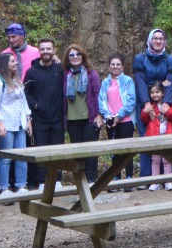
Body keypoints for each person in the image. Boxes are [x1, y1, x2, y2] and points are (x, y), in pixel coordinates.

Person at [131, 29, 172, 179]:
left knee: (166, 134)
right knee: (145, 136)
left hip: (163, 101)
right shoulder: (140, 58)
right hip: (145, 102)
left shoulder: (169, 60)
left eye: (161, 39)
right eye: (155, 38)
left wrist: (167, 103)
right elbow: (140, 81)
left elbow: (170, 81)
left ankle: (168, 177)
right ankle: (147, 177)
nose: (158, 41)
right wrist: (146, 103)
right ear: (150, 40)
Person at [23, 39, 66, 190]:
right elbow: (25, 92)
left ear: (54, 51)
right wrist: (35, 104)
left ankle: (57, 179)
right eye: (43, 49)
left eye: (49, 49)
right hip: (39, 118)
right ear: (39, 51)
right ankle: (42, 181)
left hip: (58, 117)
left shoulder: (60, 69)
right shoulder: (32, 71)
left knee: (57, 149)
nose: (46, 51)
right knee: (41, 149)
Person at [62, 45, 103, 182]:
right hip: (72, 120)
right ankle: (81, 181)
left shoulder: (91, 74)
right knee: (78, 153)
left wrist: (99, 115)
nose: (75, 57)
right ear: (68, 58)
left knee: (90, 152)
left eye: (78, 54)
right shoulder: (65, 75)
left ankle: (92, 181)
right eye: (72, 55)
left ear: (83, 56)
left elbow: (97, 95)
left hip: (89, 119)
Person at [0, 54, 32, 195]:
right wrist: (0, 123)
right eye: (12, 61)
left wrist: (28, 118)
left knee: (22, 155)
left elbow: (23, 101)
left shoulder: (16, 79)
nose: (15, 63)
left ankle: (21, 185)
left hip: (20, 123)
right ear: (5, 63)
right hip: (7, 123)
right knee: (6, 156)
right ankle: (3, 186)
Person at [98, 55, 139, 179]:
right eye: (113, 64)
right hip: (111, 120)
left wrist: (119, 116)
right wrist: (107, 115)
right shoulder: (105, 82)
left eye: (118, 64)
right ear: (109, 66)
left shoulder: (128, 81)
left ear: (122, 66)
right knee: (114, 150)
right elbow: (102, 100)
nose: (115, 67)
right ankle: (115, 177)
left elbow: (131, 100)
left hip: (125, 120)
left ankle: (129, 177)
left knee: (126, 150)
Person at [140, 81, 172, 188]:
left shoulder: (170, 104)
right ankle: (155, 182)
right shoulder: (150, 106)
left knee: (167, 159)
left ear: (163, 93)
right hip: (154, 136)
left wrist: (167, 112)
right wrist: (145, 112)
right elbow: (143, 120)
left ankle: (168, 181)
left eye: (157, 92)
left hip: (167, 135)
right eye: (152, 93)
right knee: (155, 159)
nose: (155, 95)